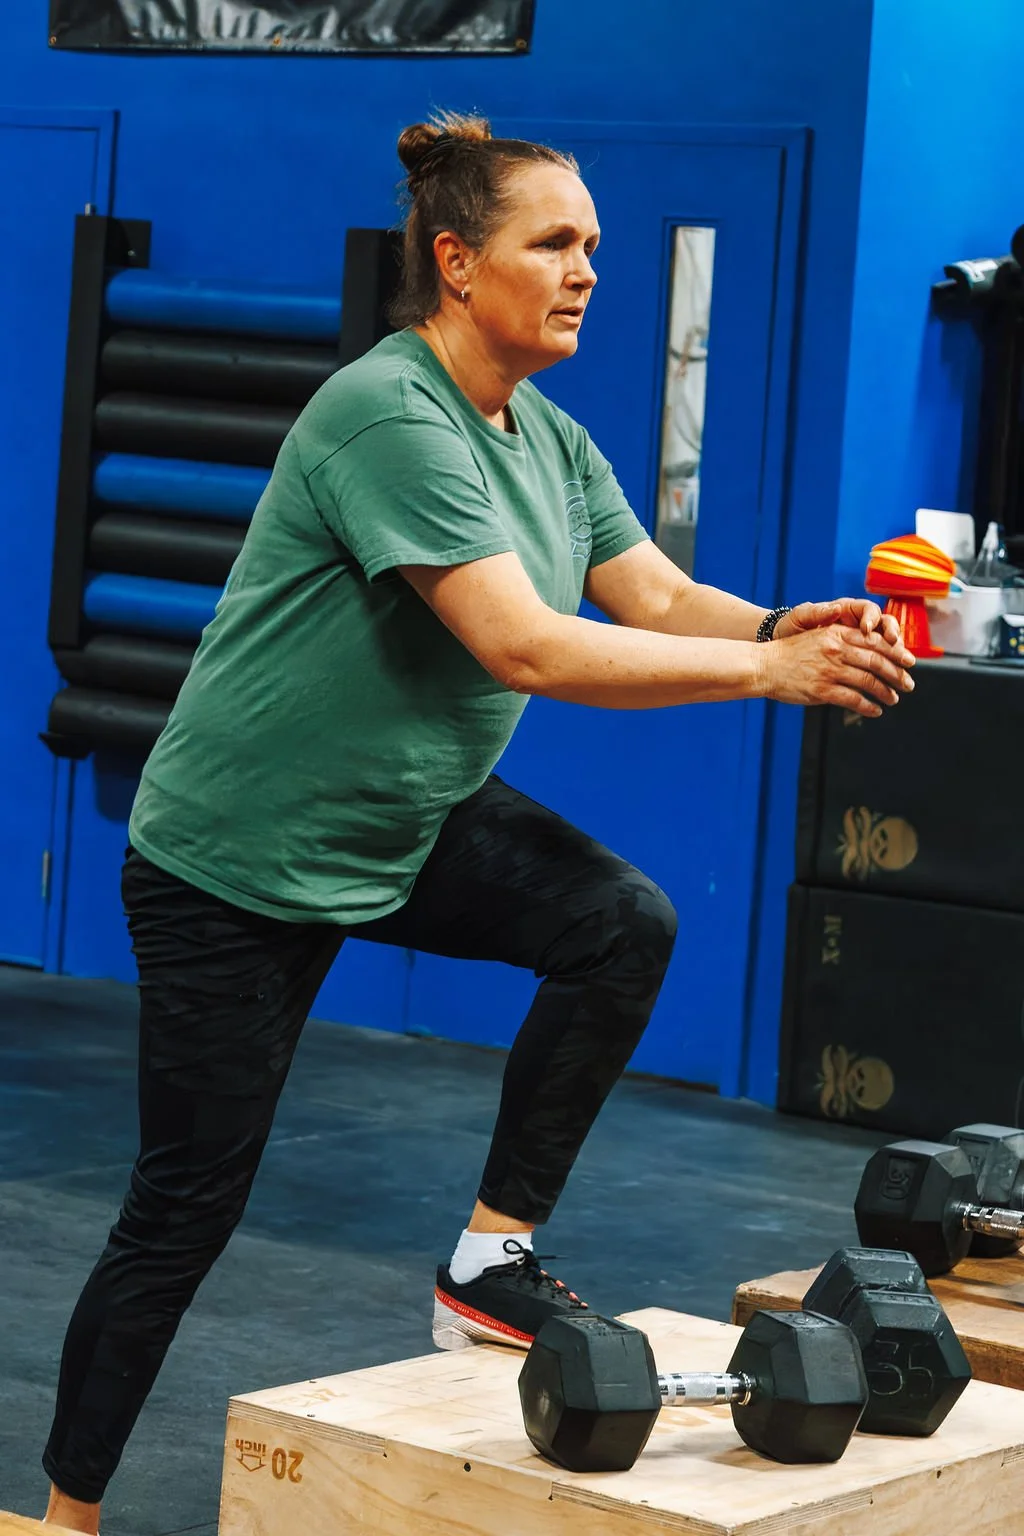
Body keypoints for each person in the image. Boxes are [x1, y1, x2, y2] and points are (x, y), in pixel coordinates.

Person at [42, 110, 914, 1532]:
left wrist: (773, 624)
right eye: (553, 244)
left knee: (619, 922)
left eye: (596, 249)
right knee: (184, 1210)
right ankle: (63, 1514)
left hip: (404, 818)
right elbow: (525, 645)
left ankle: (488, 1261)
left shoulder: (550, 439)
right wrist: (767, 674)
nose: (585, 272)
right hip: (237, 862)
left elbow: (650, 596)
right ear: (456, 262)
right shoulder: (387, 414)